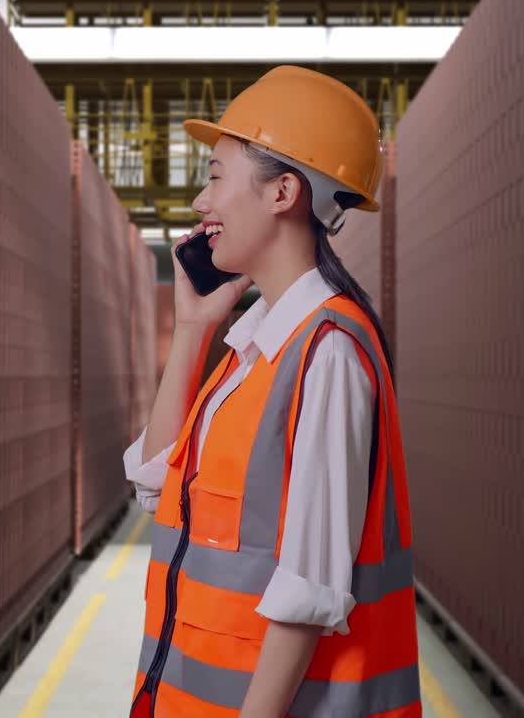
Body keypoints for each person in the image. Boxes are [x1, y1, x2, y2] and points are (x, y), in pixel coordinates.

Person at [123, 65, 420, 718]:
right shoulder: (257, 349)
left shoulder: (327, 353)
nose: (201, 204)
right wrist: (194, 329)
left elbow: (307, 594)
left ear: (283, 192)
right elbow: (155, 485)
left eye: (215, 177)